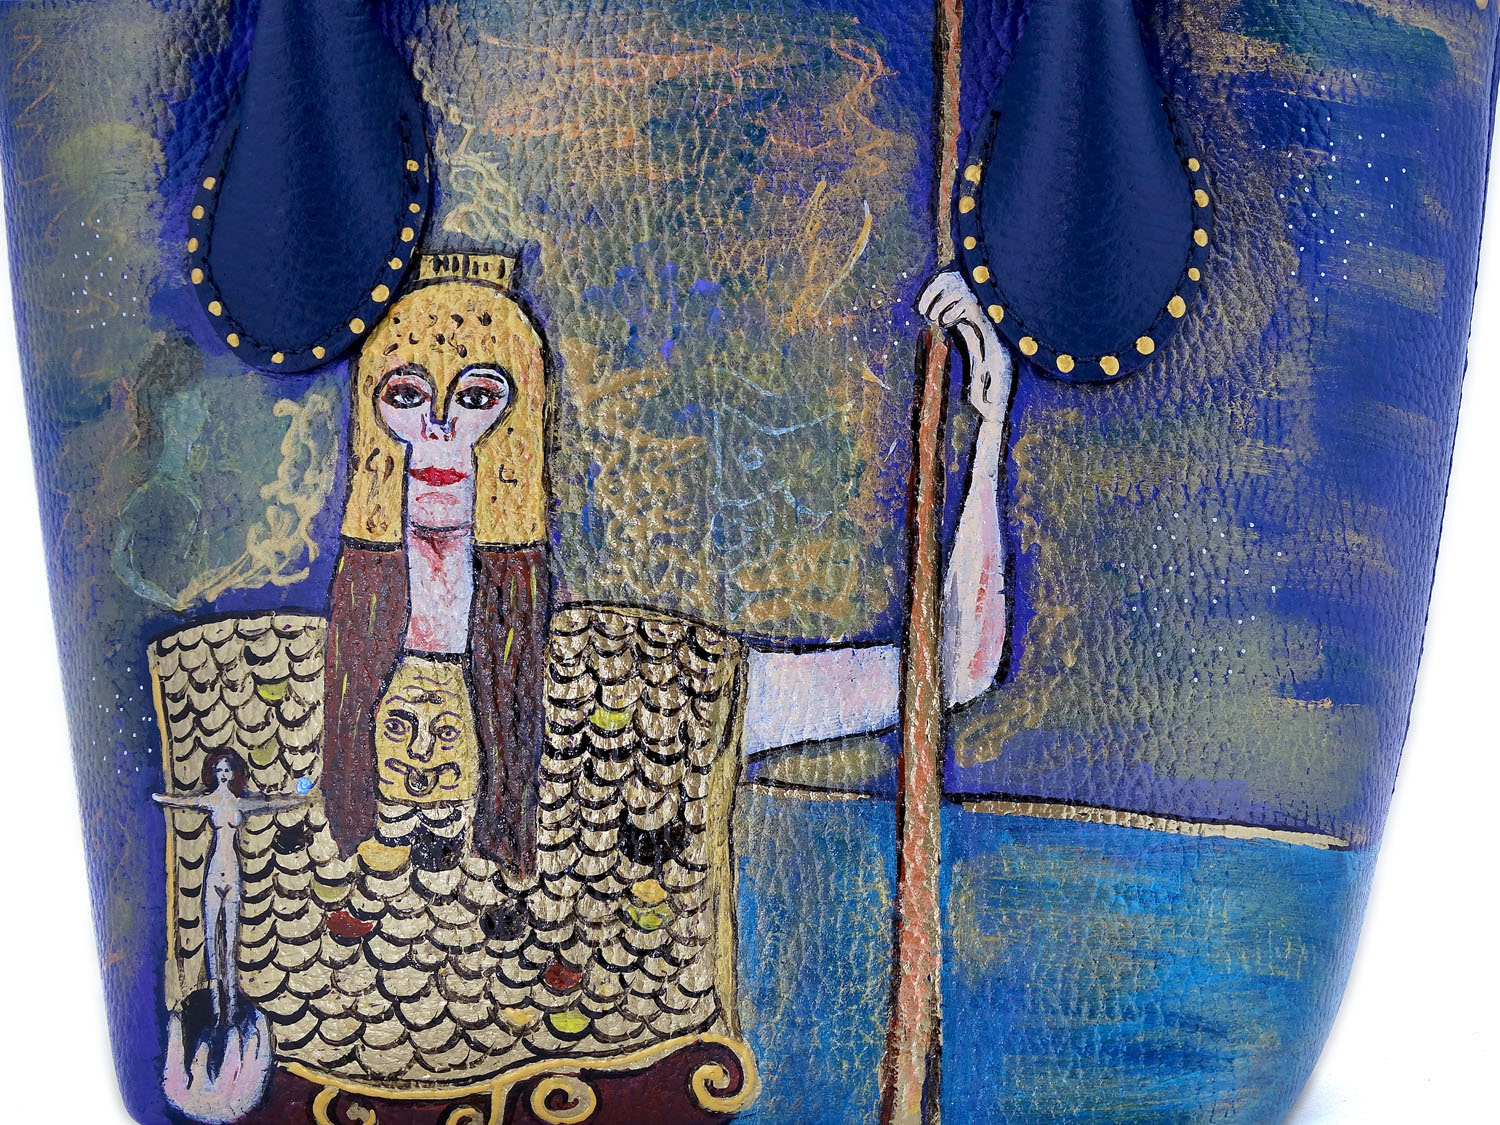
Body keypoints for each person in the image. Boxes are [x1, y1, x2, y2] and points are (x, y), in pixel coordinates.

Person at [322, 259, 1013, 872]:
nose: (439, 430)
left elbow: (950, 667)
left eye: (476, 398)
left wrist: (987, 435)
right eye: (406, 397)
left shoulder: (622, 683)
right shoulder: (290, 674)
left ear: (520, 426)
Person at [153, 752, 311, 1025]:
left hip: (233, 873)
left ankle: (233, 1005)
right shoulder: (210, 800)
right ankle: (217, 1008)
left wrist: (297, 799)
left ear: (235, 773)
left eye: (227, 769)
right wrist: (162, 798)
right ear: (213, 773)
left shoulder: (240, 802)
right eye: (219, 770)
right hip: (214, 872)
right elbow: (184, 801)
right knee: (212, 940)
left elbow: (270, 803)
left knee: (230, 942)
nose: (223, 774)